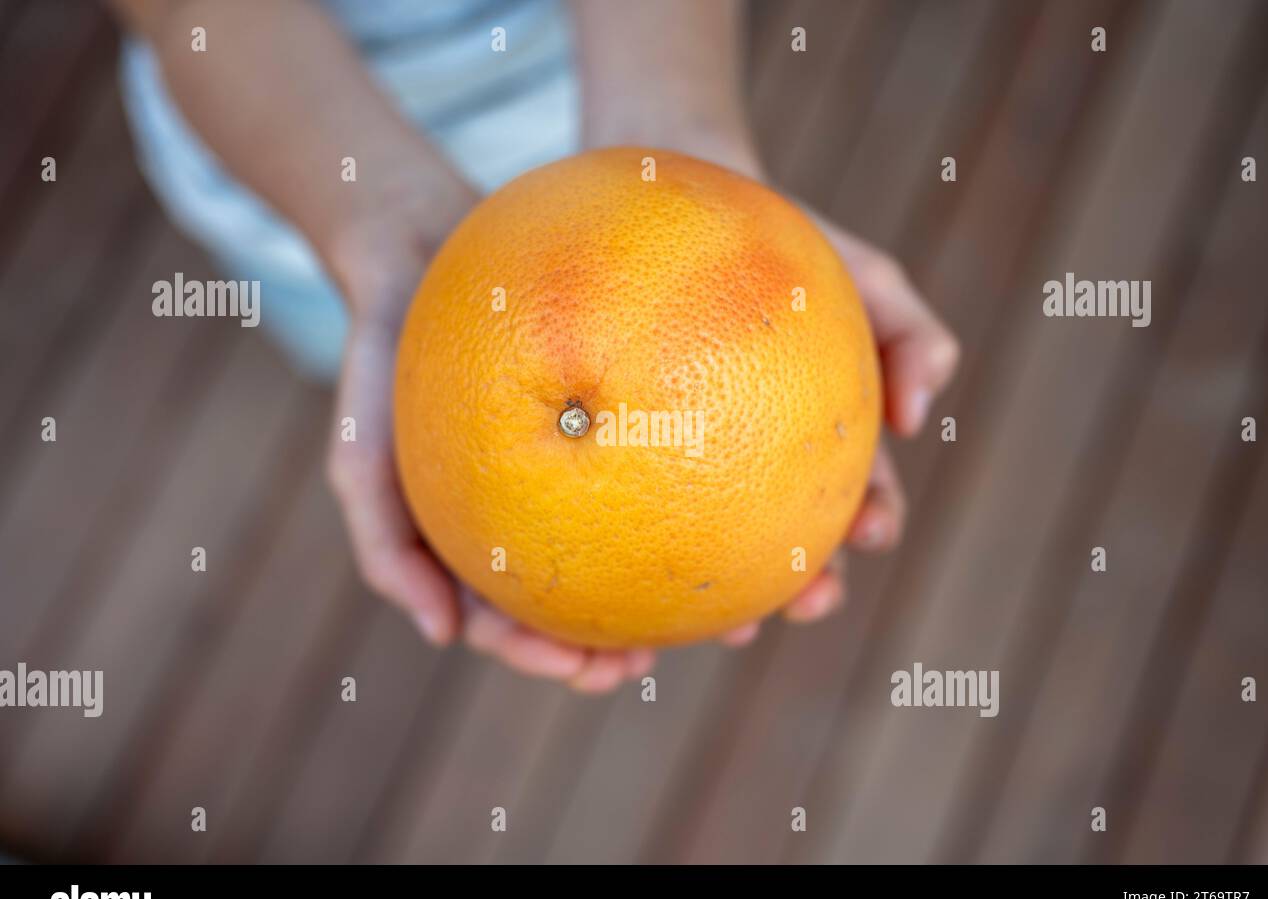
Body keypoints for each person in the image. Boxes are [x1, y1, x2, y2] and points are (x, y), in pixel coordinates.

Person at [109, 0, 960, 693]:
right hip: (287, 161)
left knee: (380, 357)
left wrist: (674, 147)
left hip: (610, 164)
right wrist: (382, 233)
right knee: (341, 335)